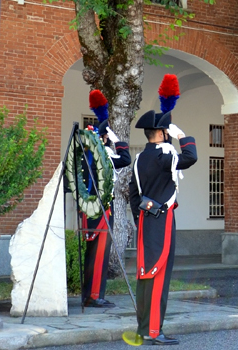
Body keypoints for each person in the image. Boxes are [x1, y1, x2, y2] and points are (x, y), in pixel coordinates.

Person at [128, 109, 197, 345]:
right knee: (158, 275)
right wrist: (183, 137)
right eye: (166, 131)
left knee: (145, 276)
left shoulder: (139, 159)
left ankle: (143, 328)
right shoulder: (162, 157)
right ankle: (155, 331)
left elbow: (133, 196)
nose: (168, 134)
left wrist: (142, 220)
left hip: (146, 220)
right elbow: (190, 157)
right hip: (162, 221)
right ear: (159, 133)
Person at [81, 118, 132, 308]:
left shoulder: (86, 155)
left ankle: (89, 294)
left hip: (89, 210)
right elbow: (126, 159)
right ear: (104, 138)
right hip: (102, 210)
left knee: (91, 254)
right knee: (99, 254)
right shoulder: (103, 154)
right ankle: (94, 295)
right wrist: (118, 141)